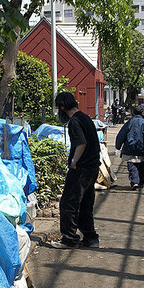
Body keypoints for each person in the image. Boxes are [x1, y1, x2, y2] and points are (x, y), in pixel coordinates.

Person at [52, 92, 101, 249]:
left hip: (81, 169)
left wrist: (74, 161)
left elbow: (81, 143)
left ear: (62, 106)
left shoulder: (74, 121)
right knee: (85, 203)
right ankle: (90, 237)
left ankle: (69, 239)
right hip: (92, 167)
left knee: (68, 203)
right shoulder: (85, 118)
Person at [115, 105, 144, 190]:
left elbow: (121, 135)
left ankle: (134, 182)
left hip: (130, 148)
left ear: (133, 113)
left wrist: (118, 146)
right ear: (142, 113)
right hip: (143, 148)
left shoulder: (129, 123)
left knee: (132, 166)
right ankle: (141, 182)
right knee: (142, 166)